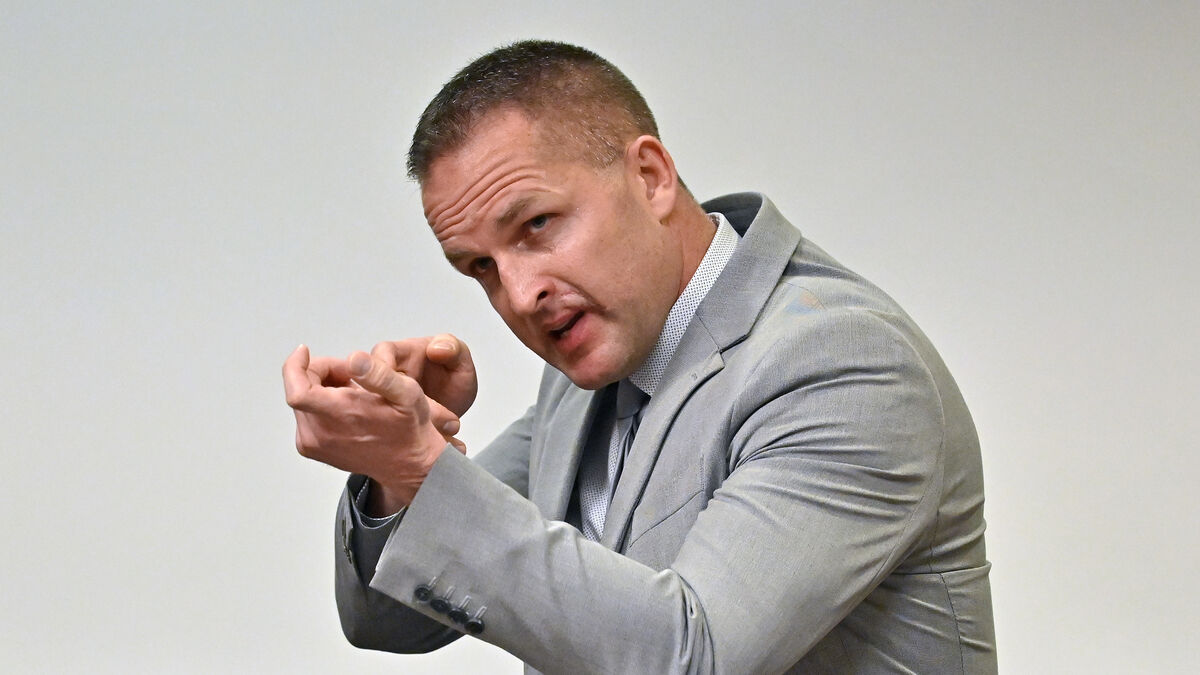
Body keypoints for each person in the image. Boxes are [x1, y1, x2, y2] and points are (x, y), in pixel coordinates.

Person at [283, 40, 996, 674]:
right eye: (481, 267)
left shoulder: (845, 366)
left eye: (537, 223)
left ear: (651, 176)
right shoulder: (584, 371)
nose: (521, 294)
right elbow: (387, 620)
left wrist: (421, 467)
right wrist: (395, 467)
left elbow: (692, 655)